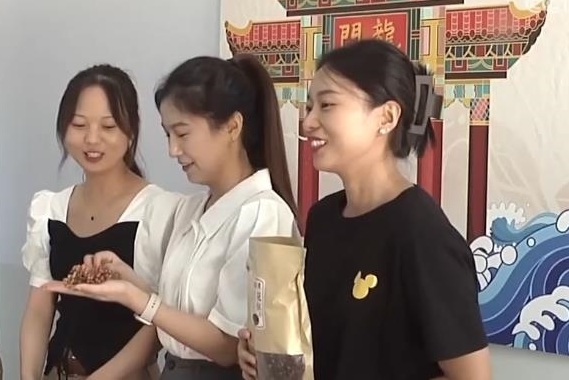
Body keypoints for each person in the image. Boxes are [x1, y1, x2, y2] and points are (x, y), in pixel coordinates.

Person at [237, 39, 492, 380]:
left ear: (386, 117)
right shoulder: (323, 218)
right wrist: (265, 354)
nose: (308, 122)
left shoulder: (421, 232)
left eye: (327, 105)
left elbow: (473, 377)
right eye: (309, 107)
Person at [48, 54, 299, 380]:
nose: (173, 150)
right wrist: (126, 277)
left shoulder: (262, 213)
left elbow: (226, 347)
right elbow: (177, 309)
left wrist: (136, 298)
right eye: (168, 135)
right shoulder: (191, 209)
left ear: (232, 126)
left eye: (182, 134)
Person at [20, 64, 173, 380]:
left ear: (130, 132)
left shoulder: (158, 210)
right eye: (79, 124)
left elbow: (159, 323)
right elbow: (39, 309)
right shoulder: (50, 208)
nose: (92, 139)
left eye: (108, 126)